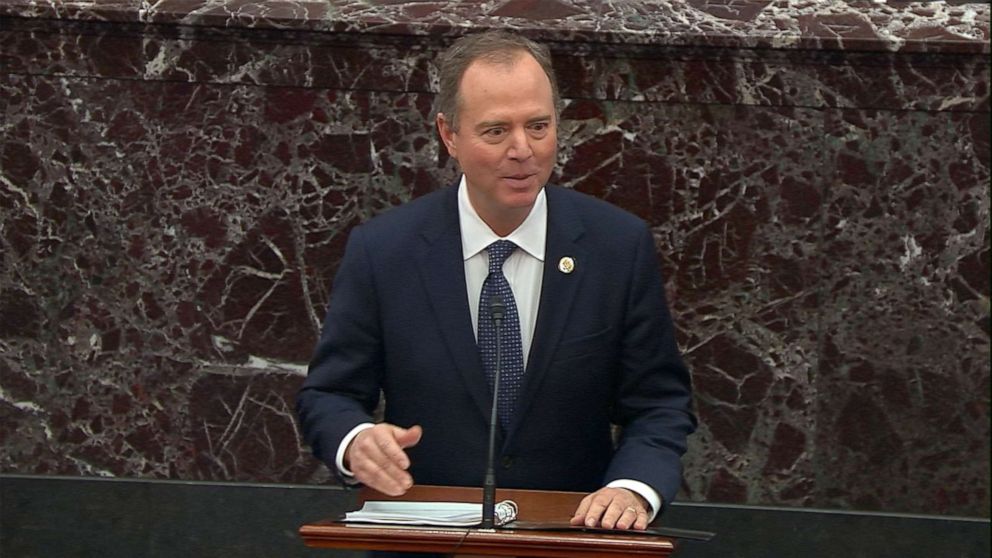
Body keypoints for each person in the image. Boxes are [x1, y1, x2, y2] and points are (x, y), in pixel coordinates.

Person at [296, 30, 696, 543]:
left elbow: (659, 405)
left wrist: (633, 488)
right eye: (495, 131)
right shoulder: (385, 251)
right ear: (449, 135)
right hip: (424, 547)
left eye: (538, 125)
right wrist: (355, 442)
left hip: (571, 544)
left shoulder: (616, 246)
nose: (522, 150)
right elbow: (328, 393)